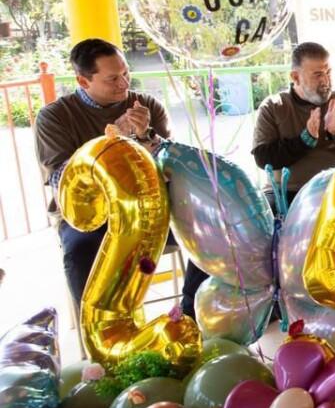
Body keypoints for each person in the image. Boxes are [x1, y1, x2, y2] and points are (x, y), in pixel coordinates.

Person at [34, 38, 207, 314]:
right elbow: (62, 180)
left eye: (126, 73)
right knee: (80, 251)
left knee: (208, 225)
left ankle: (191, 314)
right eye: (112, 78)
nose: (124, 84)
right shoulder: (55, 117)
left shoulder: (146, 105)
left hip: (148, 208)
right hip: (92, 217)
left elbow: (171, 163)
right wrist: (112, 136)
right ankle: (102, 330)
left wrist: (146, 136)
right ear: (83, 81)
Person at [252, 42, 335, 210]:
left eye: (328, 72)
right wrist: (305, 140)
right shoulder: (273, 106)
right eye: (317, 75)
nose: (326, 81)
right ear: (295, 77)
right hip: (289, 192)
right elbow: (263, 158)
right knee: (264, 219)